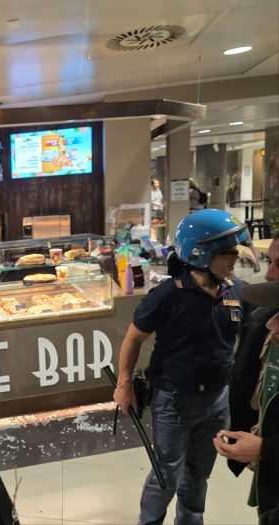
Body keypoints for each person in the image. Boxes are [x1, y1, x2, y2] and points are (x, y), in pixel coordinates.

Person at [113, 209, 259, 525]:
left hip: (217, 401)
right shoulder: (167, 295)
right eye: (227, 251)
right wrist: (123, 385)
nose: (235, 257)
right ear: (200, 253)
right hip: (174, 401)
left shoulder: (236, 291)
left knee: (198, 473)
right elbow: (133, 338)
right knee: (166, 473)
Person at [214, 233, 279, 523]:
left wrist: (265, 448)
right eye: (269, 262)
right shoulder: (264, 322)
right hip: (270, 479)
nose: (269, 274)